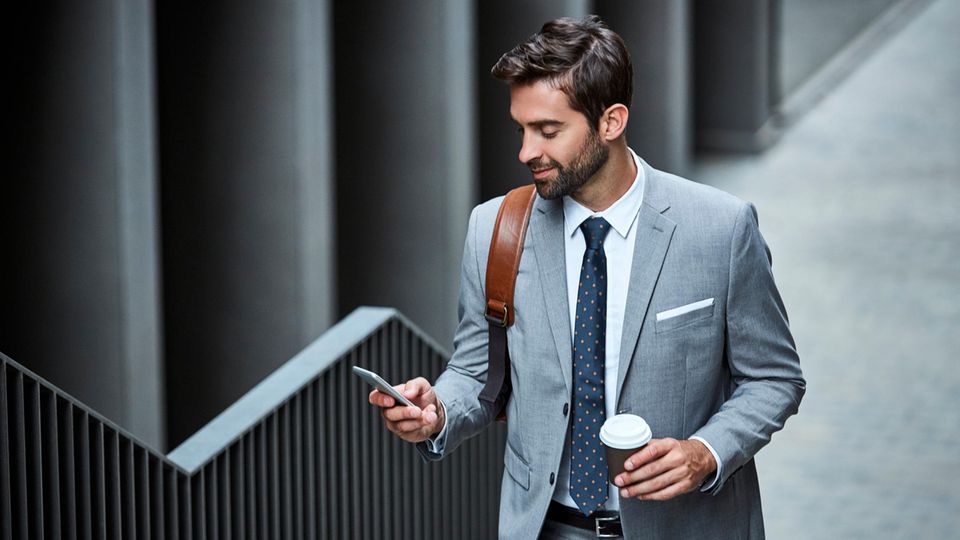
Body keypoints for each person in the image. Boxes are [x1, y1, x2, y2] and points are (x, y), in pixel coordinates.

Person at [368, 15, 804, 539]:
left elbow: (774, 377)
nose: (526, 152)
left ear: (611, 122)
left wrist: (705, 453)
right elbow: (476, 375)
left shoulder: (721, 227)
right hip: (547, 528)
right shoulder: (496, 228)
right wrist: (436, 411)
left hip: (686, 527)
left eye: (548, 131)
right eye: (522, 129)